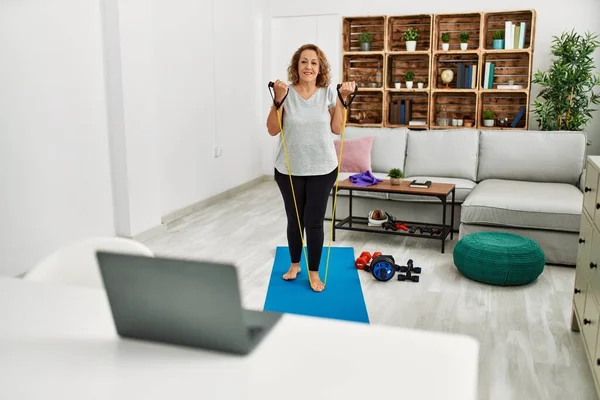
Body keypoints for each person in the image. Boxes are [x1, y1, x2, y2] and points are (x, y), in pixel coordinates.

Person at [266, 43, 356, 292]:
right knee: (294, 220)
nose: (308, 66)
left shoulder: (328, 93)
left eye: (313, 62)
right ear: (296, 65)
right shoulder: (285, 93)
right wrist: (277, 100)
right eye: (304, 61)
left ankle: (314, 273)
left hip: (322, 169)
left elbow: (337, 128)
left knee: (313, 221)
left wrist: (343, 99)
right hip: (288, 170)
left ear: (320, 68)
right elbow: (273, 129)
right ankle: (295, 264)